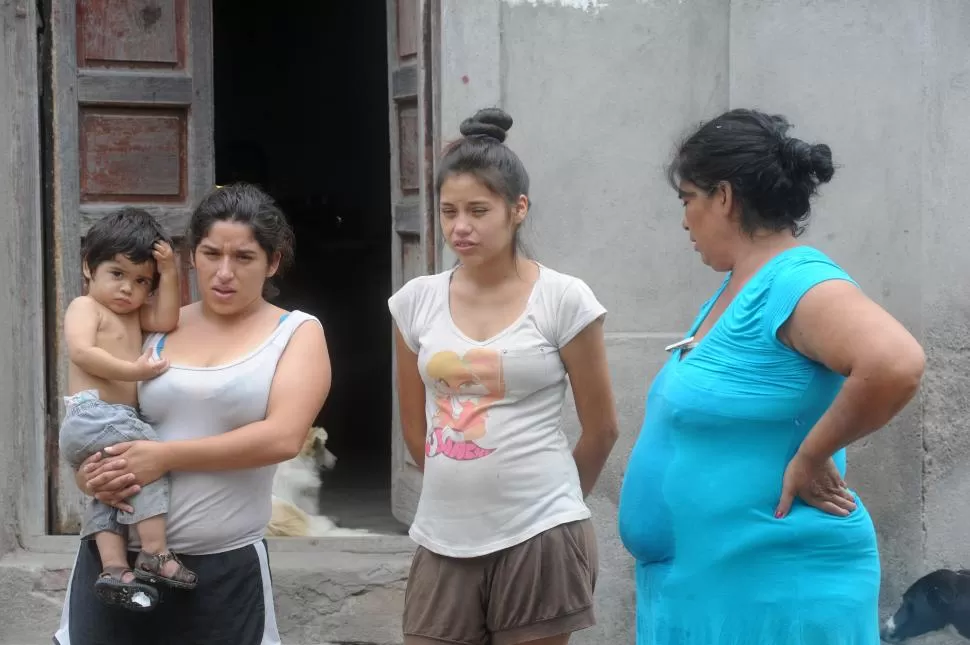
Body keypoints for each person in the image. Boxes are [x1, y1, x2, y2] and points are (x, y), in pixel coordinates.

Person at [617, 109, 926, 645]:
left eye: (687, 198)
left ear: (725, 197)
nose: (684, 219)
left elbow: (896, 363)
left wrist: (810, 456)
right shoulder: (741, 286)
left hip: (776, 595)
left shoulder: (796, 282)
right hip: (713, 591)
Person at [53, 182, 333, 645]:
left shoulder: (295, 333)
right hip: (117, 566)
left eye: (243, 257)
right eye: (210, 254)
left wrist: (164, 457)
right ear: (191, 256)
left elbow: (282, 438)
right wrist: (91, 476)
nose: (224, 272)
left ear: (273, 262)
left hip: (221, 568)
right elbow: (103, 418)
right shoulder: (157, 327)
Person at [389, 107, 620, 645]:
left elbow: (602, 426)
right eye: (448, 212)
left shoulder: (563, 298)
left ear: (518, 209)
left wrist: (556, 503)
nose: (460, 227)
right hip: (444, 535)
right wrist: (463, 492)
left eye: (477, 210)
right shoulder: (415, 302)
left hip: (540, 533)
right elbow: (413, 430)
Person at [60, 207, 194, 612]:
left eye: (141, 282)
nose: (127, 289)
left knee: (112, 490)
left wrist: (169, 272)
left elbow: (168, 318)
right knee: (146, 455)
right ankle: (154, 551)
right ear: (89, 267)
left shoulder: (135, 314)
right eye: (116, 274)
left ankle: (114, 567)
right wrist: (133, 369)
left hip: (111, 421)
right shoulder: (86, 308)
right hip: (93, 414)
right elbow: (82, 352)